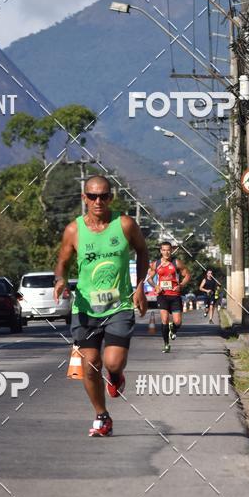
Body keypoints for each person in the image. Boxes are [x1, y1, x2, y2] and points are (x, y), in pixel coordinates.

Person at [54, 175, 148, 437]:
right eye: (93, 196)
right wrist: (60, 280)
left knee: (113, 363)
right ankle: (102, 415)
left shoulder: (125, 224)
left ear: (111, 197)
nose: (98, 201)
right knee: (91, 364)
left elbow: (142, 251)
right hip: (85, 309)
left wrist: (140, 286)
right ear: (84, 198)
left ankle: (116, 377)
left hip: (119, 306)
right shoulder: (74, 230)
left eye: (104, 196)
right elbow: (62, 262)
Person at [145, 242, 190, 353]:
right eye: (164, 250)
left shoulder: (176, 262)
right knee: (164, 320)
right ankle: (166, 344)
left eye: (168, 250)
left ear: (172, 250)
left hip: (175, 296)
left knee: (178, 322)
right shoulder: (156, 264)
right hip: (162, 296)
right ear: (161, 251)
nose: (166, 252)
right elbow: (149, 279)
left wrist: (181, 285)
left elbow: (187, 275)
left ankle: (173, 328)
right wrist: (156, 286)